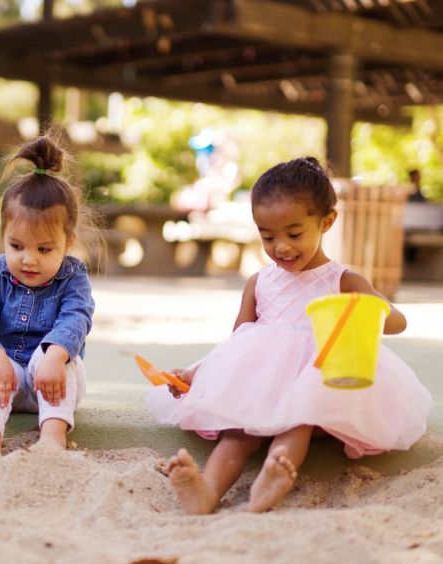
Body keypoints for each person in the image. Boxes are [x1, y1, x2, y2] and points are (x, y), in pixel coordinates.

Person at [145, 157, 433, 514]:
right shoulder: (260, 282)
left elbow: (397, 322)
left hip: (318, 380)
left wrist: (367, 305)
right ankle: (206, 491)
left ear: (327, 221)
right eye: (268, 236)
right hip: (260, 384)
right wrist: (197, 372)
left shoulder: (343, 281)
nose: (280, 246)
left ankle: (272, 481)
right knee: (238, 433)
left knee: (298, 423)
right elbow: (237, 341)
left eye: (294, 234)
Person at [0, 136, 97, 454]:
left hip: (52, 379)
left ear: (68, 242)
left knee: (58, 358)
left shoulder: (73, 277)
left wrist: (55, 355)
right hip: (5, 379)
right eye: (16, 246)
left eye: (44, 249)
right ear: (4, 238)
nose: (28, 259)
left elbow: (76, 318)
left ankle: (52, 438)